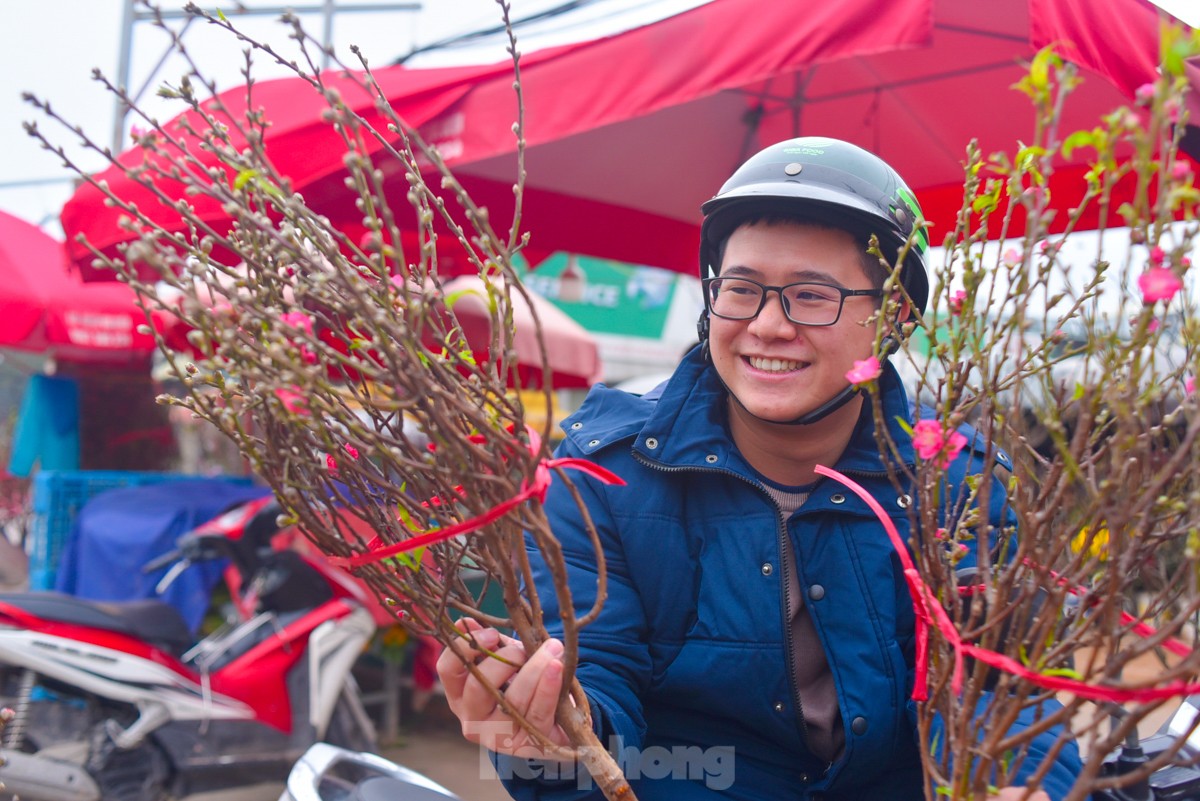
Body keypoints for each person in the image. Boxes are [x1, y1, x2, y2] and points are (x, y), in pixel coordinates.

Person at [436, 137, 1082, 800]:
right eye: (741, 289)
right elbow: (593, 681)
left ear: (891, 319)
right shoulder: (600, 476)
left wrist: (1011, 781)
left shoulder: (960, 484)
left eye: (811, 295)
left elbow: (1009, 695)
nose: (768, 325)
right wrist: (552, 731)